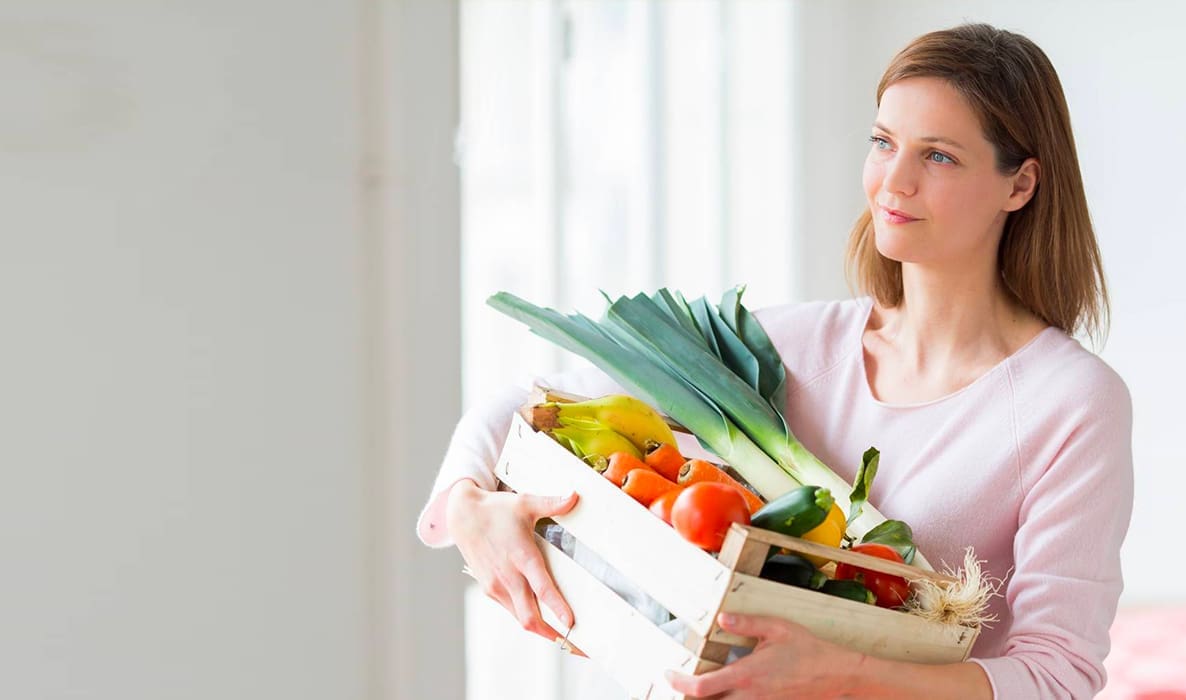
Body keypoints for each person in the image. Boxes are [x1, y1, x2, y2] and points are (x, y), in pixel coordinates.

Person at [416, 23, 1133, 700]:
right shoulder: (790, 347)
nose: (893, 182)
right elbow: (521, 405)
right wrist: (468, 506)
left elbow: (1057, 676)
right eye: (883, 142)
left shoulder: (1069, 402)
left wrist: (845, 674)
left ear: (1021, 185)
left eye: (938, 155)